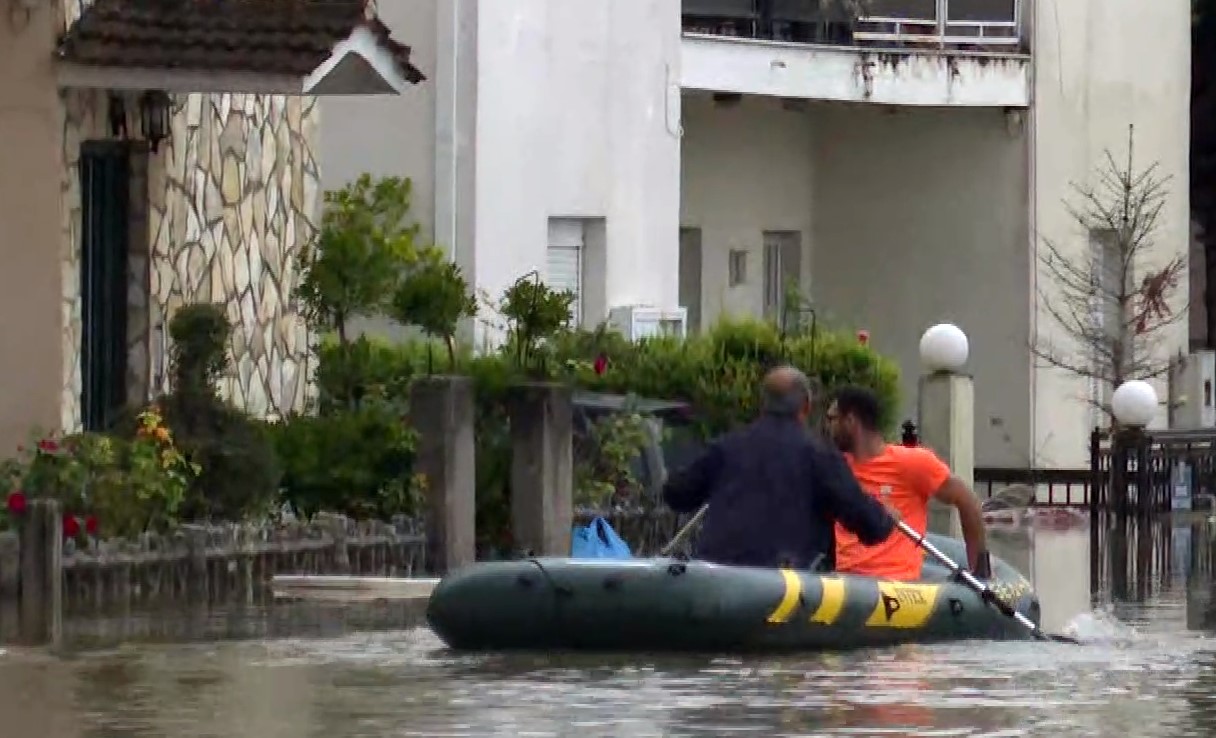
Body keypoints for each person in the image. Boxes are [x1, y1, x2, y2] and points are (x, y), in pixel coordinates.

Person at [661, 366, 896, 570]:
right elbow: (867, 524)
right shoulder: (820, 456)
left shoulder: (727, 448)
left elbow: (677, 493)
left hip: (719, 581)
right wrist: (886, 517)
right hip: (787, 589)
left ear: (762, 405)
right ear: (805, 407)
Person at [826, 385, 991, 581]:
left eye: (832, 419)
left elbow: (967, 500)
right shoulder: (836, 467)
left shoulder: (911, 462)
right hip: (842, 582)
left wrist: (979, 569)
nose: (827, 427)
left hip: (896, 584)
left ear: (850, 421)